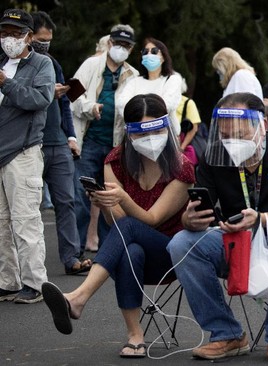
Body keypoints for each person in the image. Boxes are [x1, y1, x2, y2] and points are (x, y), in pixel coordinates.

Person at [167, 92, 268, 362]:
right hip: (237, 241)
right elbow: (200, 210)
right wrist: (188, 220)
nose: (232, 142)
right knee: (181, 242)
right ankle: (226, 333)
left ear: (262, 125)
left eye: (239, 134)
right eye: (226, 136)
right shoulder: (215, 157)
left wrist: (263, 219)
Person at [42, 93, 195, 358]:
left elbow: (152, 219)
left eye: (157, 130)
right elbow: (116, 223)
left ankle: (79, 298)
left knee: (132, 230)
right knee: (130, 248)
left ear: (167, 127)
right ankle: (135, 336)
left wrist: (122, 198)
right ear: (129, 134)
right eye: (141, 133)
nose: (150, 139)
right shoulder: (116, 160)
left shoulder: (182, 167)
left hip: (171, 254)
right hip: (130, 252)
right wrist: (105, 204)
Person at [0, 8, 55, 304]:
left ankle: (35, 283)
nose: (9, 39)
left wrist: (5, 83)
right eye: (4, 33)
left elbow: (40, 99)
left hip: (23, 153)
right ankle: (7, 281)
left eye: (15, 33)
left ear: (30, 37)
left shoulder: (41, 64)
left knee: (25, 221)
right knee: (0, 223)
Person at [31, 11, 90, 275]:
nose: (45, 45)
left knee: (67, 201)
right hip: (29, 143)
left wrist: (71, 137)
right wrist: (45, 93)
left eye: (49, 40)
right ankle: (26, 266)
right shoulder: (10, 65)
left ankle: (71, 258)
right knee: (27, 208)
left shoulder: (52, 62)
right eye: (41, 40)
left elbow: (65, 103)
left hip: (57, 142)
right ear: (28, 36)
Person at [71, 24, 139, 252]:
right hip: (90, 141)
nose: (121, 48)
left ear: (131, 49)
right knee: (80, 197)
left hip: (116, 148)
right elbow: (71, 94)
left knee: (109, 198)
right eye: (118, 43)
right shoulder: (91, 65)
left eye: (126, 45)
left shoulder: (133, 75)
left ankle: (108, 252)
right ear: (109, 43)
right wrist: (90, 107)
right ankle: (76, 252)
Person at [117, 37, 182, 136]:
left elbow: (167, 104)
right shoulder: (134, 82)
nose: (149, 55)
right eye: (145, 52)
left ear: (163, 57)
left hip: (166, 136)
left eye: (154, 51)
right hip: (138, 136)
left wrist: (137, 111)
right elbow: (121, 104)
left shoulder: (172, 80)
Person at [175, 77, 202, 166]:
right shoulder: (162, 102)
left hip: (184, 147)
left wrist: (181, 148)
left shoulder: (188, 103)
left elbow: (194, 128)